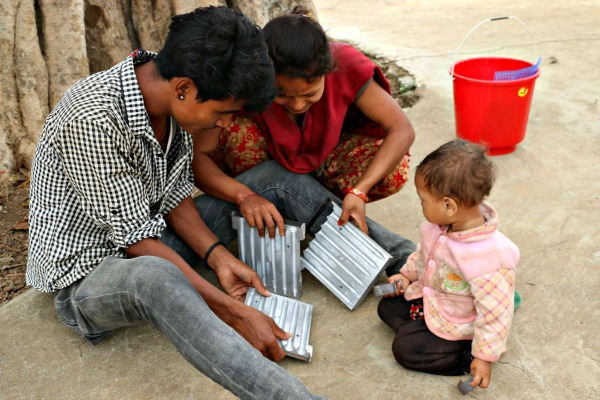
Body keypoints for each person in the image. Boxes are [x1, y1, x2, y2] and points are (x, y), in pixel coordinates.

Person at [26, 7, 326, 399]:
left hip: (149, 238)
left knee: (269, 182)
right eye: (222, 113)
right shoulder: (90, 119)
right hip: (88, 277)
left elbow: (172, 196)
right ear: (183, 88)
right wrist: (233, 311)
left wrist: (219, 257)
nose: (224, 124)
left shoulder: (172, 90)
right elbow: (137, 242)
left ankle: (403, 262)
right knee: (155, 277)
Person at [193, 6, 415, 239]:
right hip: (264, 171)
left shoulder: (346, 64)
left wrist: (359, 191)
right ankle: (271, 215)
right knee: (236, 129)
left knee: (393, 170)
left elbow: (401, 130)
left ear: (328, 71)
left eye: (310, 94)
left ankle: (312, 206)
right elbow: (199, 156)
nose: (298, 105)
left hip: (325, 162)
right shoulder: (250, 79)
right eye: (282, 94)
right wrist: (244, 195)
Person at [377, 139, 520, 390]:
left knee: (405, 350)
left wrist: (483, 356)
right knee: (387, 306)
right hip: (437, 300)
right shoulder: (438, 227)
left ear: (448, 205)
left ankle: (460, 353)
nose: (420, 204)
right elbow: (423, 256)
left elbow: (495, 314)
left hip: (462, 323)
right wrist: (406, 277)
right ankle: (424, 329)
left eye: (423, 199)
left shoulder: (489, 258)